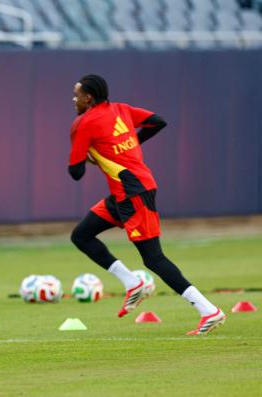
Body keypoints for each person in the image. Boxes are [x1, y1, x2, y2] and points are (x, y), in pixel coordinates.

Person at [68, 74, 225, 335]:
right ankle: (133, 283)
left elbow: (75, 172)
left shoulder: (83, 124)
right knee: (82, 236)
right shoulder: (121, 109)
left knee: (154, 259)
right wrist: (128, 145)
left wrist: (89, 154)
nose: (74, 100)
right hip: (124, 194)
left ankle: (209, 311)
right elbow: (157, 122)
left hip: (133, 194)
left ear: (89, 97)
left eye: (77, 95)